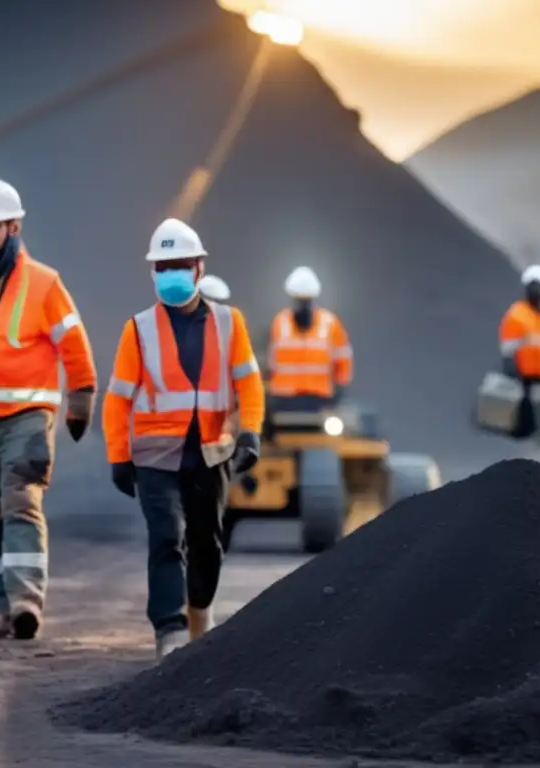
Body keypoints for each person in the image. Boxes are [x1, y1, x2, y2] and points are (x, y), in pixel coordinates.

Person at [0, 178, 97, 641]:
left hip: (28, 415)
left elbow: (73, 339)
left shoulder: (44, 283)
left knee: (21, 500)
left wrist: (81, 395)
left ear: (14, 226)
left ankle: (27, 600)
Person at [102, 218, 265, 660]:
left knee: (207, 542)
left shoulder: (230, 323)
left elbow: (249, 384)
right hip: (156, 455)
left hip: (211, 452)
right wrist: (119, 455)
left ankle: (199, 618)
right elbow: (117, 399)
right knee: (166, 537)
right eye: (163, 266)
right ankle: (170, 632)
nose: (170, 273)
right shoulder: (138, 329)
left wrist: (249, 432)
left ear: (198, 267)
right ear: (152, 273)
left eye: (179, 264)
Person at [267, 266, 352, 411]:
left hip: (320, 400)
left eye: (306, 301)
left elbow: (343, 363)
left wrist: (339, 393)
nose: (302, 306)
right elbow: (270, 363)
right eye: (299, 301)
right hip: (284, 401)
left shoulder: (330, 324)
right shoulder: (280, 323)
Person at [498, 265, 540, 437]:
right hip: (522, 378)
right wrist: (511, 370)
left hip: (537, 379)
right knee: (521, 424)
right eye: (537, 288)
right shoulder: (518, 315)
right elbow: (508, 347)